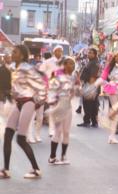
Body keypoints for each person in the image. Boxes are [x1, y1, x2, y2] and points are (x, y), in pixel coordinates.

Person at [0, 45, 46, 179]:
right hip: (19, 103)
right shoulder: (15, 68)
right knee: (8, 134)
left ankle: (36, 169)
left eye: (15, 52)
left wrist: (37, 103)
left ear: (21, 55)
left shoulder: (28, 68)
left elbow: (42, 86)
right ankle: (6, 170)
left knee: (20, 139)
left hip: (28, 102)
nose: (12, 53)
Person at [95, 52, 118, 144]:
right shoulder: (109, 67)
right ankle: (111, 136)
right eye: (117, 56)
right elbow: (102, 78)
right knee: (116, 113)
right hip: (114, 91)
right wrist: (95, 86)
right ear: (114, 58)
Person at [48, 57, 77, 165]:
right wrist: (54, 103)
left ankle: (63, 156)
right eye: (69, 64)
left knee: (66, 132)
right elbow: (51, 91)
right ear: (64, 65)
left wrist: (75, 92)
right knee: (58, 131)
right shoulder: (57, 76)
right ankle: (52, 157)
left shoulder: (73, 77)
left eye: (73, 64)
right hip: (58, 105)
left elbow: (74, 91)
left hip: (68, 106)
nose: (71, 66)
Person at [39, 45, 64, 137]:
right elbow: (41, 72)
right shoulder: (48, 62)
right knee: (52, 108)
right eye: (57, 51)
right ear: (54, 52)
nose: (59, 52)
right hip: (51, 88)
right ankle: (51, 130)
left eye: (60, 51)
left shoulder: (64, 62)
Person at [77, 48, 100, 128]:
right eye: (88, 53)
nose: (88, 54)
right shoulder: (91, 62)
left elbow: (93, 76)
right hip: (90, 85)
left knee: (88, 105)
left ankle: (87, 121)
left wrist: (90, 88)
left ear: (94, 54)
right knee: (93, 105)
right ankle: (94, 122)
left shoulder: (94, 63)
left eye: (90, 53)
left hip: (90, 86)